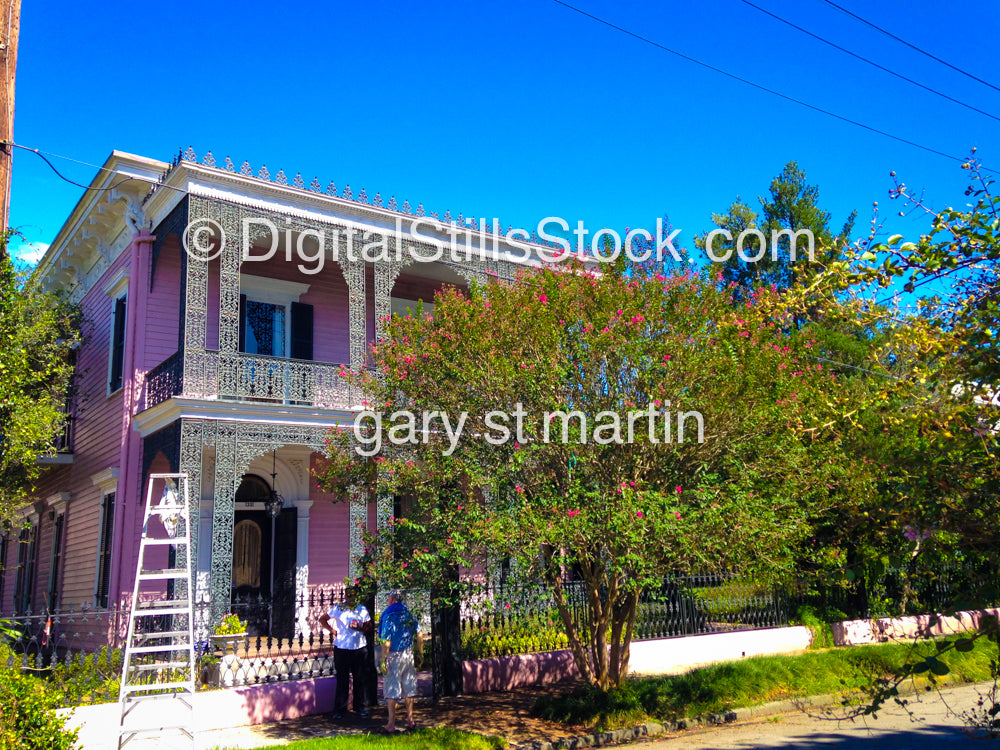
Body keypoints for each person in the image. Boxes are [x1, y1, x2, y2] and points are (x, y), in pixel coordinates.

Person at [319, 585, 372, 720]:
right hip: (342, 648)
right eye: (349, 595)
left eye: (353, 595)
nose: (351, 598)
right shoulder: (338, 609)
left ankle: (360, 707)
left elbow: (368, 627)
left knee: (359, 678)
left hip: (358, 647)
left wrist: (359, 628)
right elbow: (323, 619)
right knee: (342, 679)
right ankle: (340, 709)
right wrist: (333, 631)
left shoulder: (361, 609)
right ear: (345, 596)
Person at [378, 589, 423, 732]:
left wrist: (383, 659)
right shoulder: (409, 613)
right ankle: (410, 720)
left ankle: (391, 723)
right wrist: (420, 653)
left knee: (392, 689)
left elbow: (387, 641)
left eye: (388, 598)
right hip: (408, 653)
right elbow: (420, 633)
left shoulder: (388, 615)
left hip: (394, 655)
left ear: (391, 599)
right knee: (408, 688)